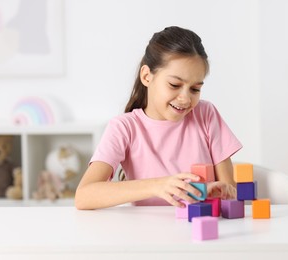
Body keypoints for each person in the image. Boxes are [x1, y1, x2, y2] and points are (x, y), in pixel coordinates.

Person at [75, 26, 242, 210]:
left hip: (199, 232)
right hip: (147, 235)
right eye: (174, 84)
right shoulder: (124, 128)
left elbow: (230, 192)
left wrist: (217, 193)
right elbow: (84, 196)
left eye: (195, 89)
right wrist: (157, 185)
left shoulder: (206, 114)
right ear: (147, 76)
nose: (186, 98)